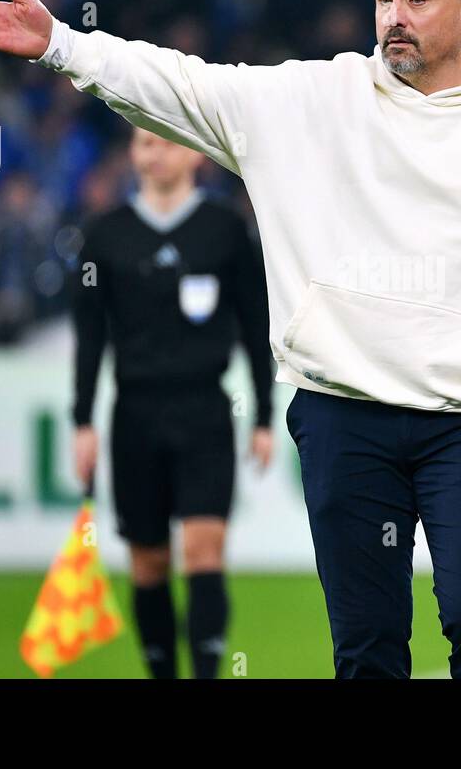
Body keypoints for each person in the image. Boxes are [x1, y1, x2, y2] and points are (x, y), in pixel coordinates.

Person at [0, 0, 461, 679]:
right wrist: (64, 46)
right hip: (345, 412)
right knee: (367, 650)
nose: (393, 17)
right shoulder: (313, 100)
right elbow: (182, 84)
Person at [72, 126, 274, 679]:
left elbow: (257, 328)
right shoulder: (105, 235)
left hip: (204, 412)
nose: (152, 152)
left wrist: (261, 416)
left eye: (162, 141)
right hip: (135, 414)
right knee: (149, 562)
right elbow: (90, 336)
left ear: (192, 153)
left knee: (204, 550)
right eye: (142, 143)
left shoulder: (226, 231)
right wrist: (82, 421)